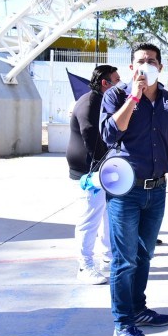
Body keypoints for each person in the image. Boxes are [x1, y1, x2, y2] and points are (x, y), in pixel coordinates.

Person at [100, 43, 168, 336]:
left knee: (144, 255)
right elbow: (110, 135)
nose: (146, 65)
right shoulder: (116, 95)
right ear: (131, 67)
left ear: (160, 67)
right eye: (140, 61)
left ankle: (138, 309)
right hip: (124, 190)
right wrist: (134, 97)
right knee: (124, 260)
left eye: (151, 61)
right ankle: (123, 325)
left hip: (157, 190)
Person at [66, 64, 120, 285]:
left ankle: (109, 255)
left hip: (103, 168)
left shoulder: (102, 100)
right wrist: (101, 164)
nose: (121, 84)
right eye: (117, 80)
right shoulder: (90, 102)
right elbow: (90, 134)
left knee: (107, 214)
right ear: (105, 83)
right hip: (90, 171)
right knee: (90, 218)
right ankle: (84, 265)